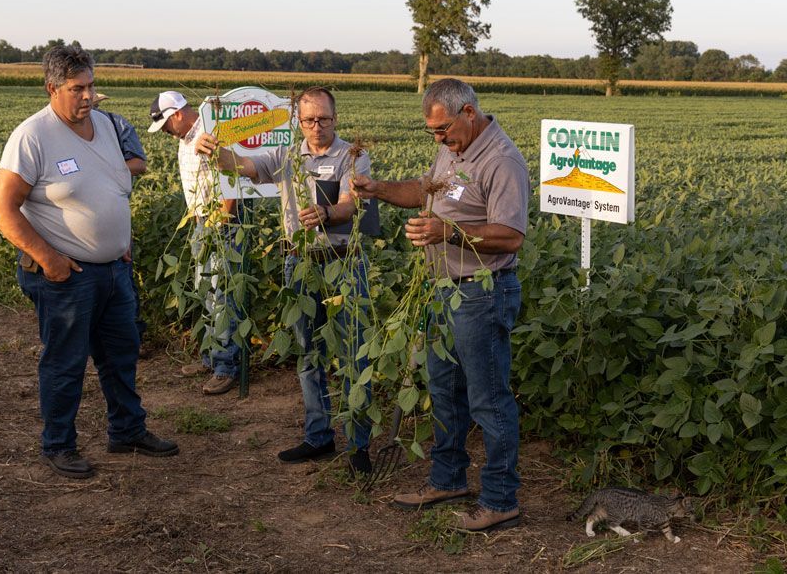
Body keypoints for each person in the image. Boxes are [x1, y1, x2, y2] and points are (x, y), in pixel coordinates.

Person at [0, 46, 178, 480]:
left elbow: (113, 187)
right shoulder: (33, 136)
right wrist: (49, 259)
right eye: (77, 88)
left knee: (121, 356)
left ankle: (127, 430)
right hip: (65, 276)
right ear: (52, 88)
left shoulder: (107, 126)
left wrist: (119, 239)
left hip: (114, 270)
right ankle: (59, 444)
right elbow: (1, 208)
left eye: (91, 86)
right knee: (65, 363)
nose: (88, 96)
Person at [352, 78, 530, 531]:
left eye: (443, 129)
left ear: (468, 112)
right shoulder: (455, 148)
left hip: (481, 292)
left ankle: (500, 498)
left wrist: (446, 233)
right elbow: (427, 190)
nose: (439, 139)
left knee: (489, 399)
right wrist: (378, 189)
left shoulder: (502, 160)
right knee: (445, 390)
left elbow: (510, 236)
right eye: (432, 132)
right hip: (443, 289)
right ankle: (448, 479)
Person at [195, 86, 373, 474]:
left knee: (351, 352)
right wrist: (214, 151)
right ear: (299, 121)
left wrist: (325, 214)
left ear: (335, 118)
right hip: (299, 263)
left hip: (342, 263)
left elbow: (351, 205)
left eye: (323, 119)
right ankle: (318, 436)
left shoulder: (353, 156)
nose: (316, 127)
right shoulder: (287, 154)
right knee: (309, 354)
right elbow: (241, 165)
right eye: (308, 120)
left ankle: (360, 445)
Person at [148, 90, 247, 396]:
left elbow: (233, 177)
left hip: (221, 224)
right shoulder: (185, 138)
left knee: (221, 294)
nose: (164, 131)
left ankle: (226, 367)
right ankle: (210, 355)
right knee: (205, 289)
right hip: (201, 221)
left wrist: (223, 216)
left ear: (177, 114)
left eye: (165, 124)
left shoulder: (210, 133)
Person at [92, 93, 148, 344]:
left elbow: (138, 164)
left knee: (121, 275)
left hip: (112, 210)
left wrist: (102, 169)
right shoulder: (53, 132)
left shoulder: (117, 125)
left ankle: (130, 337)